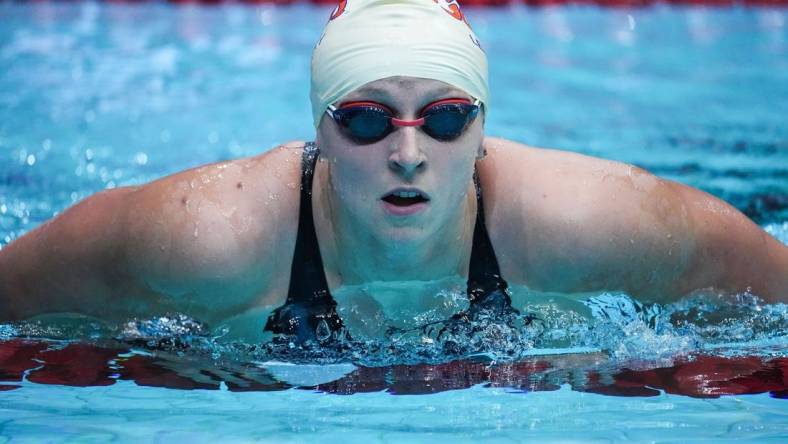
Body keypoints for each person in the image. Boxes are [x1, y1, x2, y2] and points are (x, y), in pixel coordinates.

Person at [0, 0, 786, 343]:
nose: (408, 153)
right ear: (320, 130)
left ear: (482, 132)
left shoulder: (582, 223)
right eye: (368, 120)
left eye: (445, 118)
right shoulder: (210, 236)